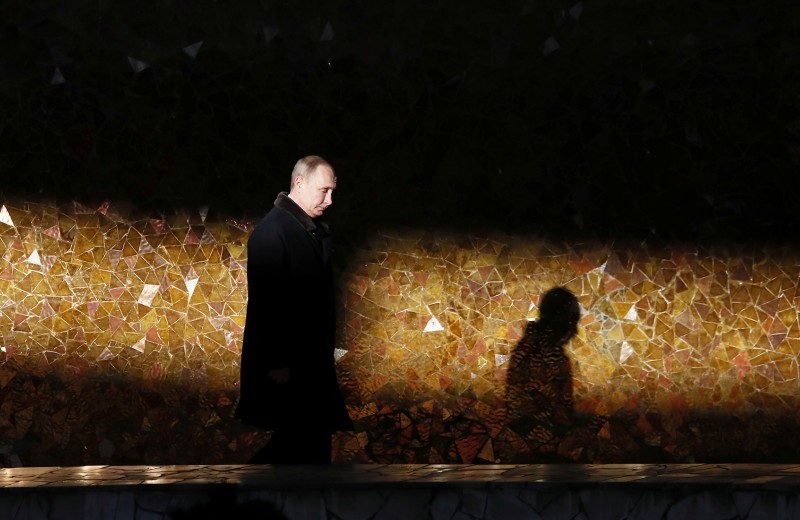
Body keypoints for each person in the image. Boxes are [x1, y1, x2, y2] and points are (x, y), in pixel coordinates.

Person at [235, 155, 353, 464]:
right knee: (298, 448)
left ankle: (243, 489)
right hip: (289, 368)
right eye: (323, 190)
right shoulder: (274, 232)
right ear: (299, 183)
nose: (329, 200)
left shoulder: (304, 230)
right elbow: (268, 304)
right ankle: (238, 490)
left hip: (306, 364)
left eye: (332, 191)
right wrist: (277, 364)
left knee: (307, 446)